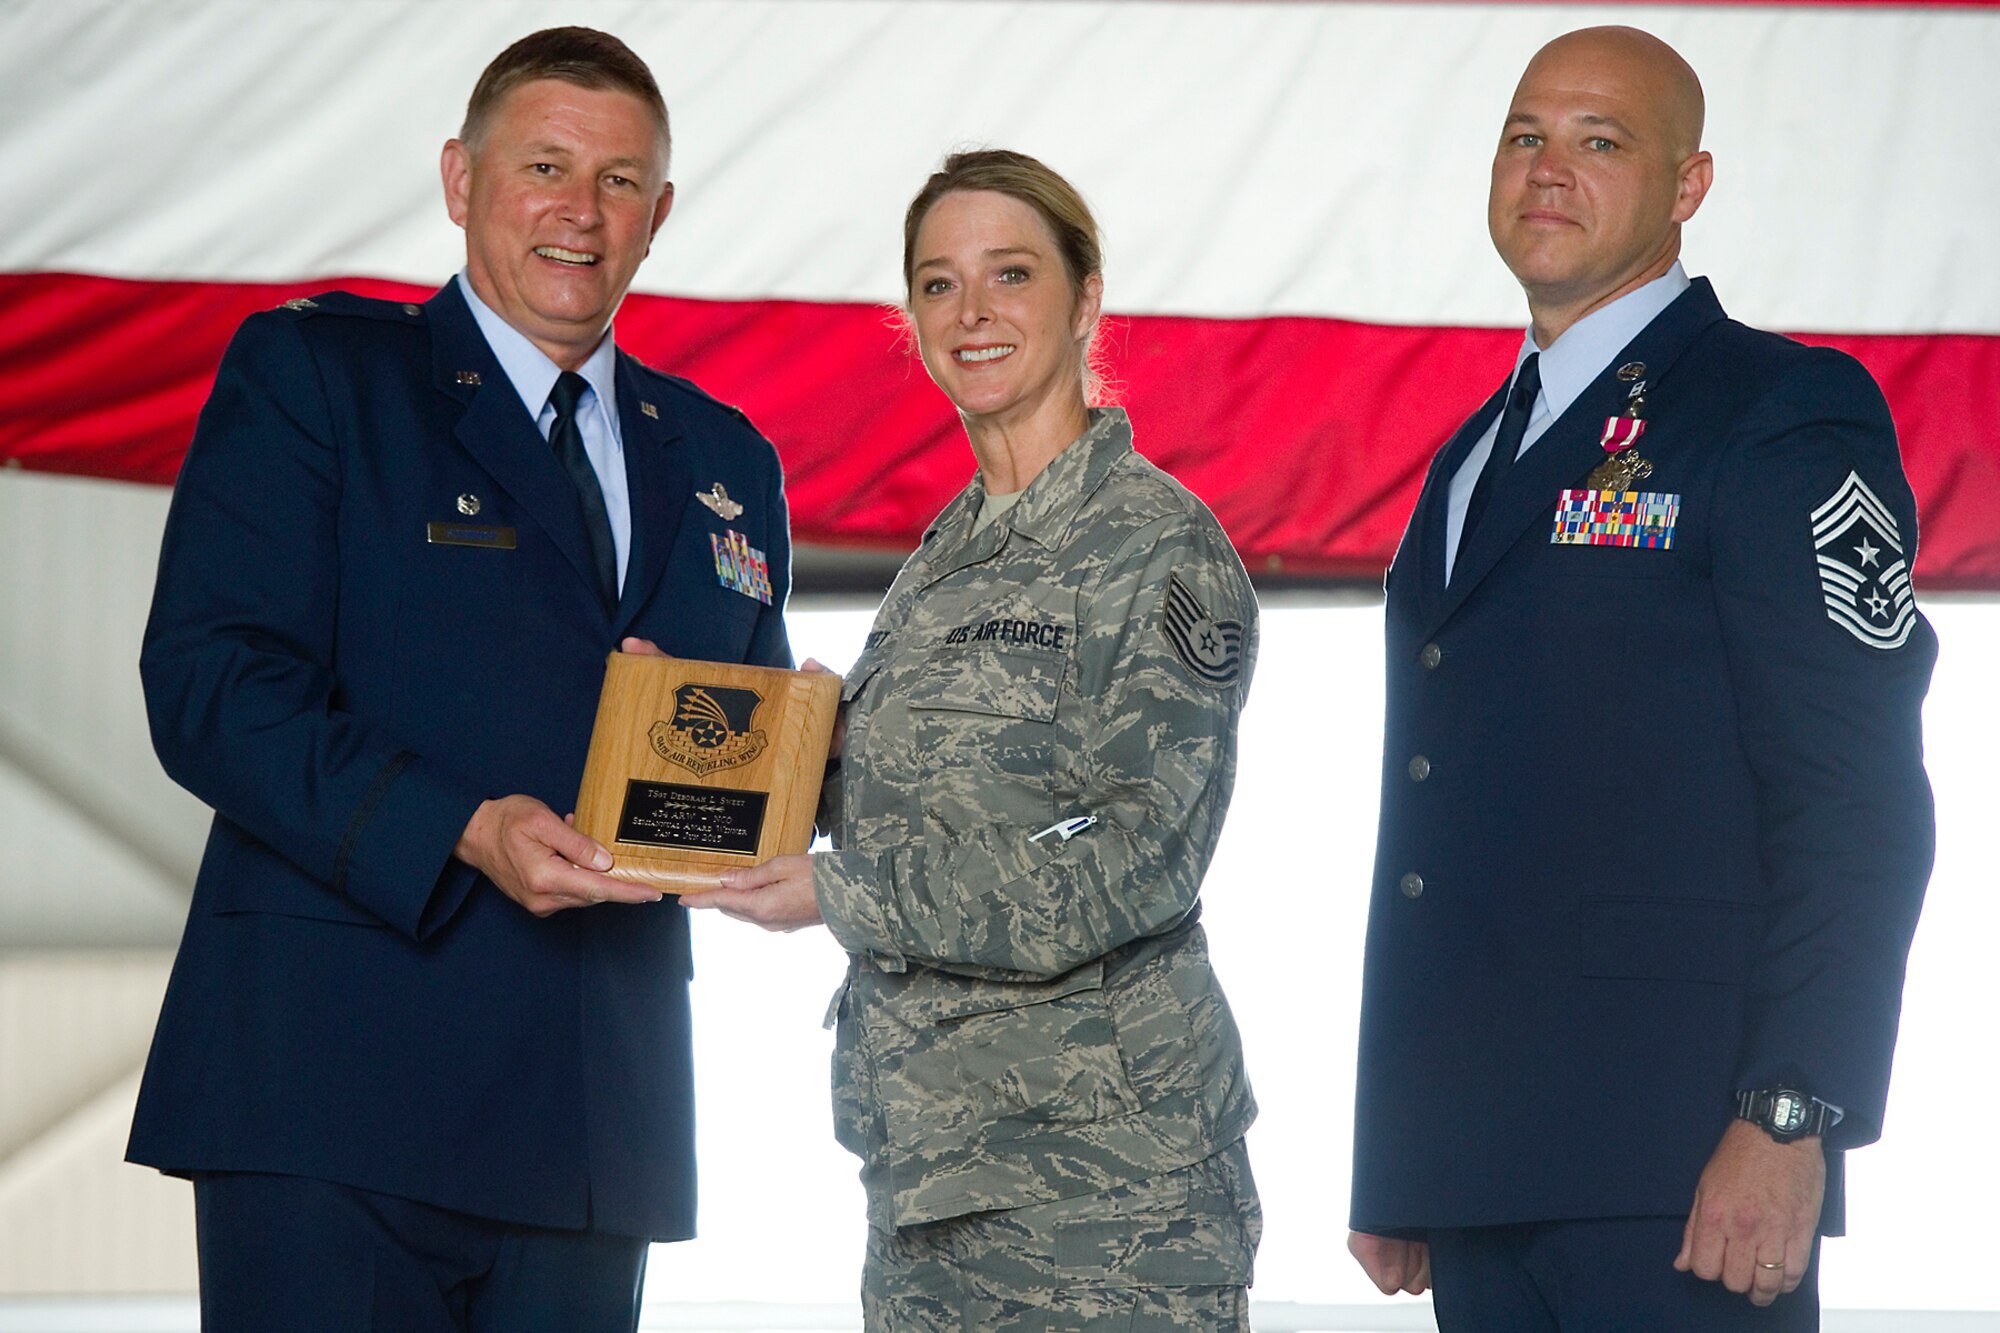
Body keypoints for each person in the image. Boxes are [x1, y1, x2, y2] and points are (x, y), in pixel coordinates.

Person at [127, 27, 793, 1331]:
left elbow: (733, 754)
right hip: (332, 1090)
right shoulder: (320, 376)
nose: (578, 213)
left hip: (597, 1112)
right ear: (458, 179)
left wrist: (789, 771)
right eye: (545, 165)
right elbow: (211, 683)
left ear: (658, 215)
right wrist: (461, 828)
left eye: (617, 182)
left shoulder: (724, 454)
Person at [1346, 25, 1936, 1330]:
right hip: (1480, 1171)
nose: (1549, 168)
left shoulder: (1777, 410)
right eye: (1525, 136)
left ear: (1689, 186)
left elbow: (1858, 797)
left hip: (1686, 1172)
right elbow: (1443, 819)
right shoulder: (1468, 458)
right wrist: (1404, 1143)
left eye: (1600, 141)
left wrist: (1792, 1110)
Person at [683, 150, 1263, 1331]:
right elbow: (938, 789)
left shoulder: (1155, 547)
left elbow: (1138, 856)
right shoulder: (943, 556)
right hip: (928, 1178)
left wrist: (846, 895)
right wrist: (707, 741)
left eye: (1009, 273)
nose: (973, 313)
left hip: (1106, 1198)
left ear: (1084, 295)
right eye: (938, 284)